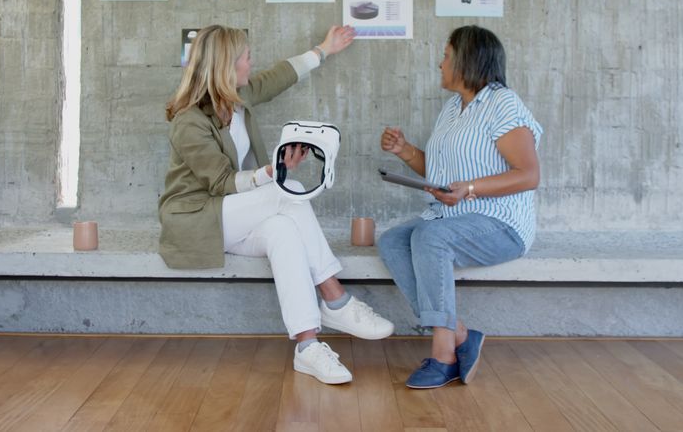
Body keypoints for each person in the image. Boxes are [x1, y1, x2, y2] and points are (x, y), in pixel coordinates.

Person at [159, 24, 394, 385]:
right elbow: (221, 183)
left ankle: (307, 346)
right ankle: (335, 298)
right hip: (197, 219)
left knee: (283, 229)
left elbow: (279, 77)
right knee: (290, 188)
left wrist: (324, 49)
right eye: (246, 57)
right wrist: (272, 173)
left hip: (233, 214)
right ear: (226, 65)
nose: (251, 62)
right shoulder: (189, 121)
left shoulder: (238, 98)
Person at [378, 25, 542, 389]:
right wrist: (405, 150)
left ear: (468, 60)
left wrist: (469, 189)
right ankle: (460, 333)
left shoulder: (503, 104)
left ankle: (444, 356)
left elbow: (528, 174)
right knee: (392, 241)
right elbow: (440, 175)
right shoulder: (453, 108)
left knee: (430, 237)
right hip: (451, 218)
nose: (440, 64)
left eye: (446, 56)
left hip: (501, 224)